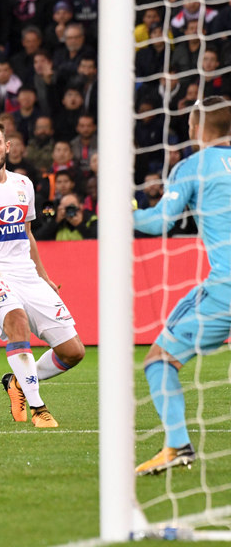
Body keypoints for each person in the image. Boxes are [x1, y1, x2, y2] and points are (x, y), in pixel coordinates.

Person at [0, 117, 85, 428]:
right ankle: (39, 409)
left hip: (27, 274)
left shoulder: (24, 185)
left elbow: (27, 234)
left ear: (7, 146)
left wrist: (44, 276)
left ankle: (19, 383)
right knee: (16, 320)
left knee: (73, 351)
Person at [133, 98, 231, 475]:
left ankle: (177, 445)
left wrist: (123, 212)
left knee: (159, 360)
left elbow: (161, 222)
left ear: (197, 126)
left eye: (190, 122)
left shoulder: (193, 166)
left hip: (224, 288)